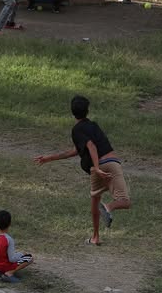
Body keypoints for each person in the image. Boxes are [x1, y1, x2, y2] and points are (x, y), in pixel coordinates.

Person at [34, 96, 131, 246]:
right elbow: (78, 150)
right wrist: (49, 158)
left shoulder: (77, 130)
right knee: (124, 202)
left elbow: (90, 146)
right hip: (110, 164)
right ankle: (108, 207)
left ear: (73, 113)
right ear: (87, 110)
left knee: (95, 200)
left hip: (96, 168)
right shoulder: (93, 126)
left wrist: (97, 168)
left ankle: (96, 237)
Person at [0, 210, 34, 283]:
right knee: (29, 258)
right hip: (5, 266)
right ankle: (10, 272)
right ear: (9, 223)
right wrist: (21, 254)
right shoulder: (9, 239)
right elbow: (12, 259)